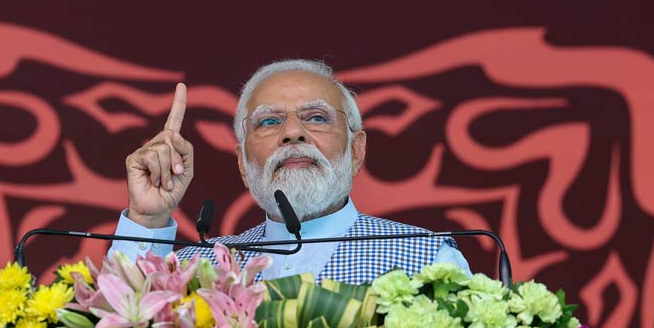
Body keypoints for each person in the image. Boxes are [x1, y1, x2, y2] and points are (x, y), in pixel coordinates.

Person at [109, 59, 470, 284]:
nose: (293, 132)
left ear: (357, 150)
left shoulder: (428, 259)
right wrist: (147, 217)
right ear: (242, 165)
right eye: (269, 121)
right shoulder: (196, 269)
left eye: (316, 117)